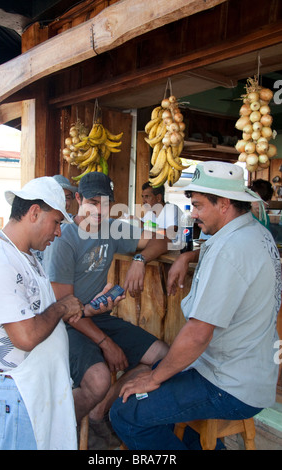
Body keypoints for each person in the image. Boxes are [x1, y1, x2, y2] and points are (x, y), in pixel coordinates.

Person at [110, 161, 281, 450]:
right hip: (246, 372)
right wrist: (187, 256)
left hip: (229, 384)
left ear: (224, 204)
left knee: (126, 412)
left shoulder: (231, 250)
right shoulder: (253, 234)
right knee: (159, 399)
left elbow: (198, 334)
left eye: (199, 206)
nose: (194, 213)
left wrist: (154, 379)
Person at [0, 177, 118, 450]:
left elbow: (41, 314)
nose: (58, 232)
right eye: (56, 222)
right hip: (19, 393)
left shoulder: (26, 256)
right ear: (34, 212)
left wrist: (85, 309)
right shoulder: (0, 263)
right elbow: (25, 336)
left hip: (36, 389)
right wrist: (62, 306)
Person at [42, 172, 169, 449]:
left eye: (106, 203)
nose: (99, 211)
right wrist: (106, 343)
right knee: (97, 379)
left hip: (97, 317)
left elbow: (163, 240)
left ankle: (101, 414)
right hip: (66, 324)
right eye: (92, 202)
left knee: (161, 356)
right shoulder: (64, 239)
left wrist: (139, 258)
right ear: (77, 199)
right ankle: (56, 435)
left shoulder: (113, 228)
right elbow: (66, 311)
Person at [33, 174, 77, 264]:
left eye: (67, 198)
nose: (63, 201)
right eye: (59, 195)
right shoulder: (36, 225)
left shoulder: (74, 225)